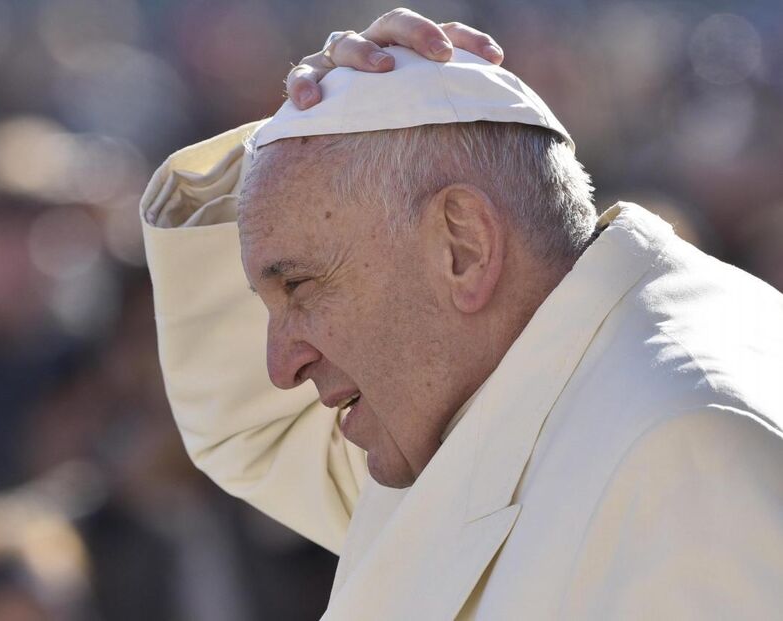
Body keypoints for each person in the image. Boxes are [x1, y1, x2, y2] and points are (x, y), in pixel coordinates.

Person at [140, 9, 783, 620]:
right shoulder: (521, 383)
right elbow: (258, 431)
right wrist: (303, 126)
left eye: (301, 287)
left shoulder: (688, 451)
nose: (282, 367)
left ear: (464, 246)